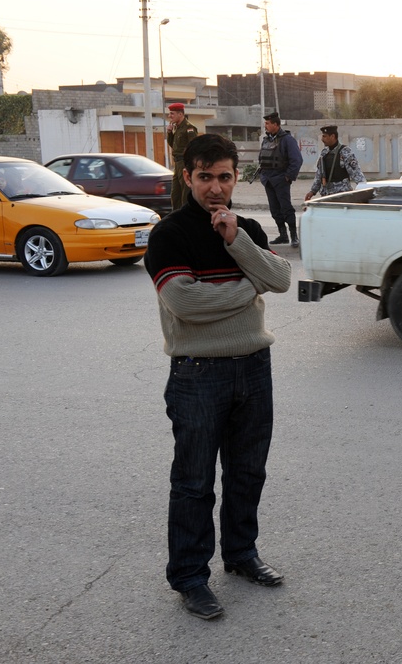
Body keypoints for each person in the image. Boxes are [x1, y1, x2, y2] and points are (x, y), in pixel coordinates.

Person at [144, 134, 292, 620]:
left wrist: (236, 242)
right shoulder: (170, 235)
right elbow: (185, 302)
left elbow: (282, 279)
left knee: (248, 472)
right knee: (193, 482)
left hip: (254, 367)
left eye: (224, 176)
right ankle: (189, 576)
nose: (215, 187)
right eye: (204, 177)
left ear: (235, 177)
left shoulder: (246, 227)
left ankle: (242, 555)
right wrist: (250, 289)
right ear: (187, 177)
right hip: (198, 374)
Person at [257, 111, 304, 248]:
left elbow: (297, 160)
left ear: (276, 125)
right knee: (274, 209)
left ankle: (294, 236)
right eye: (265, 123)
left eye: (267, 123)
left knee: (286, 208)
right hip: (268, 179)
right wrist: (263, 176)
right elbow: (262, 159)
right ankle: (283, 235)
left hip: (280, 179)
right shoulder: (266, 140)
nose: (265, 126)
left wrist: (288, 177)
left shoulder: (287, 140)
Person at [304, 125, 366, 200]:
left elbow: (356, 173)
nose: (322, 139)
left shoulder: (345, 152)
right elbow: (319, 174)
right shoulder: (324, 153)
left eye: (325, 136)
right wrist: (312, 191)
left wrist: (365, 190)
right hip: (327, 195)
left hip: (342, 196)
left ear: (332, 136)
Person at [166, 102, 199, 210]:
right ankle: (176, 217)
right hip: (177, 164)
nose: (170, 116)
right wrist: (170, 133)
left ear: (180, 114)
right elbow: (174, 146)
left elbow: (194, 146)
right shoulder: (178, 128)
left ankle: (186, 217)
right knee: (175, 194)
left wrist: (189, 165)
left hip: (185, 163)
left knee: (185, 193)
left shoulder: (189, 128)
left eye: (172, 113)